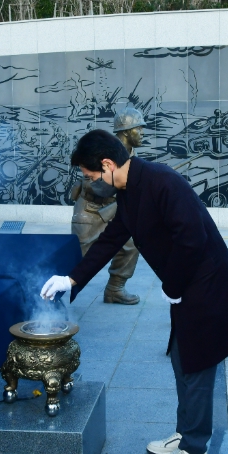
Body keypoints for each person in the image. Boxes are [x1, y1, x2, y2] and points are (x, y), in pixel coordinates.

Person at [41, 129, 228, 454]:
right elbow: (111, 239)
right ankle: (186, 433)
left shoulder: (161, 181)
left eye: (91, 176)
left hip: (207, 284)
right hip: (187, 284)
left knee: (197, 365)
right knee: (182, 360)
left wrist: (174, 285)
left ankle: (195, 452)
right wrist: (71, 279)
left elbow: (192, 239)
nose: (90, 183)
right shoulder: (129, 190)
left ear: (108, 164)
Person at [69, 107, 146, 305]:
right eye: (138, 128)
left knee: (130, 245)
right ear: (126, 131)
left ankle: (114, 289)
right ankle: (52, 296)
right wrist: (124, 184)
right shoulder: (104, 149)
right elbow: (96, 184)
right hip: (91, 209)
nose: (142, 132)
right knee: (78, 258)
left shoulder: (132, 154)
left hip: (115, 209)